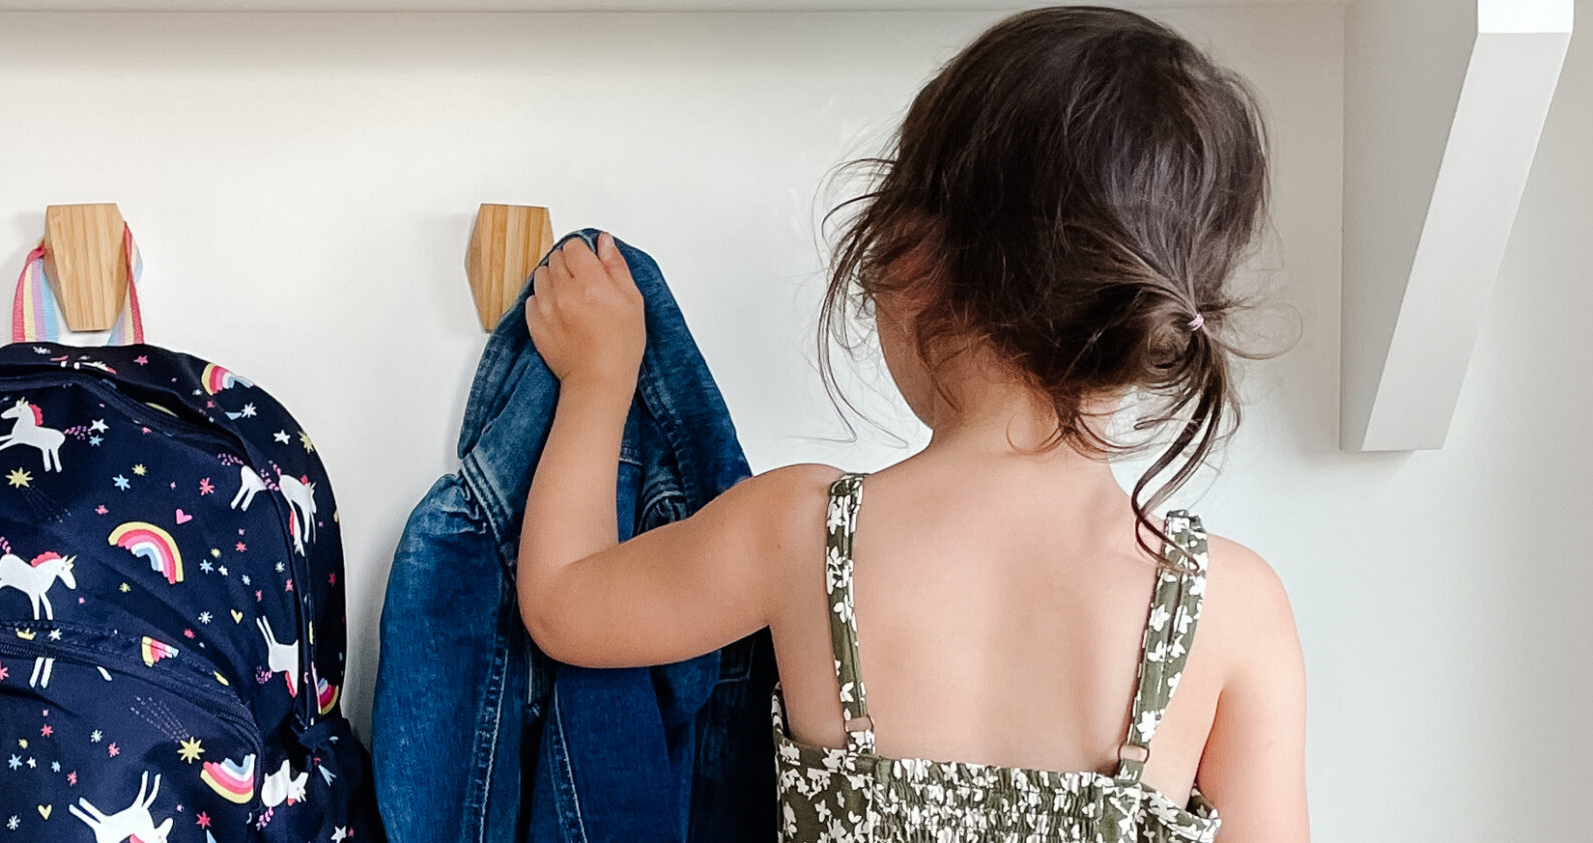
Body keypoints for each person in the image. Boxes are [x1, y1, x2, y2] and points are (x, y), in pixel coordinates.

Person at [513, 6, 1307, 841]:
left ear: (911, 253)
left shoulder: (809, 532)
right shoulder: (1231, 608)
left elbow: (565, 603)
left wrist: (600, 379)